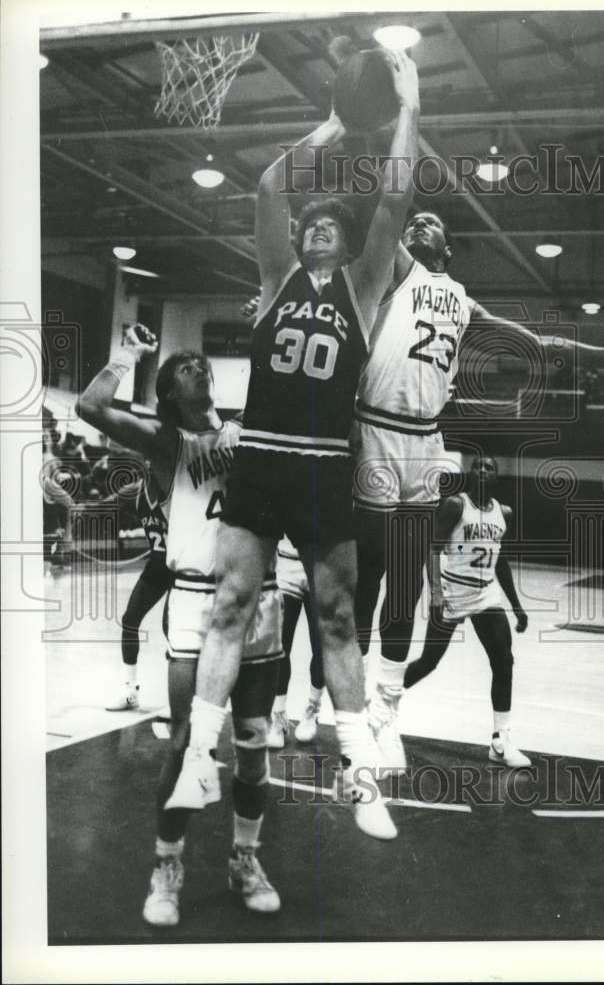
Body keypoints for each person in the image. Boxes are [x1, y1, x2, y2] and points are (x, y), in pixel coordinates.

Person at [166, 50, 420, 841]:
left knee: (340, 617)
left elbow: (396, 200)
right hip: (265, 459)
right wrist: (336, 125)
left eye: (327, 225)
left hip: (322, 466)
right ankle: (199, 757)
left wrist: (408, 106)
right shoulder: (273, 279)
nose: (314, 227)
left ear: (342, 242)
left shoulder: (364, 285)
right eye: (309, 223)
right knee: (233, 604)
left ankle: (359, 772)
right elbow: (271, 186)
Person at [354, 210, 604, 769]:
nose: (418, 224)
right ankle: (330, 701)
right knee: (363, 578)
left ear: (449, 250)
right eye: (413, 221)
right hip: (372, 427)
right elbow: (376, 213)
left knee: (405, 581)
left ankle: (383, 713)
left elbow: (542, 341)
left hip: (424, 440)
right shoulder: (396, 269)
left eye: (430, 222)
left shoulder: (463, 302)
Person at [76, 328, 283, 926]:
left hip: (258, 598)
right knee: (187, 740)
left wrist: (268, 324)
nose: (196, 366)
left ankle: (246, 857)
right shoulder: (170, 443)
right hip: (195, 600)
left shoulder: (250, 428)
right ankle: (166, 865)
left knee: (251, 745)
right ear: (169, 392)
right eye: (183, 366)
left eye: (201, 363)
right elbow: (91, 407)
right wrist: (126, 353)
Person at [403, 456, 531, 766]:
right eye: (477, 466)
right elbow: (432, 549)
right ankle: (382, 702)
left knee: (504, 660)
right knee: (429, 662)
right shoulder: (454, 506)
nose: (483, 470)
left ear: (496, 477)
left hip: (486, 596)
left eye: (489, 467)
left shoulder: (504, 513)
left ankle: (501, 740)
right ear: (469, 474)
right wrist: (435, 594)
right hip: (453, 593)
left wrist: (517, 607)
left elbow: (500, 560)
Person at [106, 473, 174, 711]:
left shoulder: (179, 485)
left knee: (173, 629)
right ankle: (130, 690)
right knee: (130, 619)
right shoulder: (136, 489)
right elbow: (107, 504)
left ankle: (182, 699)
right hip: (158, 563)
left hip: (182, 564)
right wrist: (78, 506)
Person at [267, 536, 325, 748]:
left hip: (322, 563)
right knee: (280, 644)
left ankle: (313, 709)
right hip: (287, 562)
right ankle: (279, 716)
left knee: (321, 647)